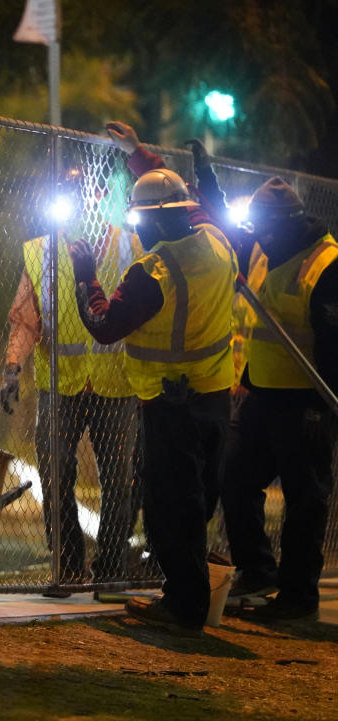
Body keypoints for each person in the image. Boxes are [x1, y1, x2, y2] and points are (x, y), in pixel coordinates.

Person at [68, 167, 238, 635]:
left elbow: (105, 326)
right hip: (215, 398)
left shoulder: (154, 271)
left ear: (160, 222)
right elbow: (205, 206)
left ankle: (184, 606)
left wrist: (86, 276)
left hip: (171, 405)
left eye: (142, 220)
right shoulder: (217, 240)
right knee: (198, 500)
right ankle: (188, 594)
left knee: (171, 505)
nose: (138, 228)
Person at [1, 166, 140, 586]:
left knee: (118, 480)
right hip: (60, 384)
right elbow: (26, 319)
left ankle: (111, 566)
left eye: (82, 195)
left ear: (98, 199)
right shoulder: (40, 252)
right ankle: (67, 564)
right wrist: (12, 367)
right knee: (56, 475)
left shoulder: (129, 246)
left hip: (116, 383)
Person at [220, 177, 338, 621]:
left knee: (304, 500)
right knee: (234, 480)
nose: (259, 237)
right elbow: (215, 221)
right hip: (262, 395)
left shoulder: (327, 265)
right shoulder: (263, 247)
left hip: (307, 402)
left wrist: (324, 409)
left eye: (265, 228)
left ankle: (297, 596)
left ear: (288, 222)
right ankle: (257, 569)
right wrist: (207, 174)